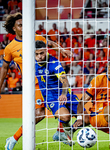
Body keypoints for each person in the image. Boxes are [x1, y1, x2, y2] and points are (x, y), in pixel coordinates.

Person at [0, 13, 71, 150]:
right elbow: (4, 68)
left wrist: (62, 50)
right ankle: (14, 137)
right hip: (34, 85)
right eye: (20, 25)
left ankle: (60, 132)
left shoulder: (36, 37)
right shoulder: (10, 48)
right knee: (39, 115)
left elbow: (49, 43)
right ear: (14, 28)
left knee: (65, 103)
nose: (24, 27)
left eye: (24, 24)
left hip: (50, 80)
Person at [35, 40, 90, 145]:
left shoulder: (54, 63)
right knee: (65, 116)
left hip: (66, 94)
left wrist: (64, 94)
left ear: (46, 51)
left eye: (42, 53)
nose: (40, 57)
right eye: (37, 54)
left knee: (87, 119)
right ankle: (62, 132)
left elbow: (65, 81)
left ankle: (65, 133)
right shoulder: (31, 63)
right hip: (51, 96)